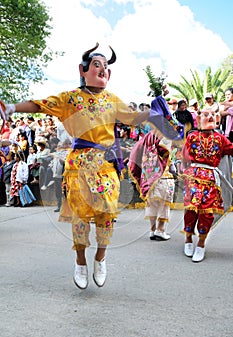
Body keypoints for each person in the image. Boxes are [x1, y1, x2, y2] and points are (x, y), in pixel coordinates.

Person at [2, 43, 156, 290]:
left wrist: (154, 108)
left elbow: (134, 118)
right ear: (82, 70)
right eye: (97, 64)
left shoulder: (113, 100)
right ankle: (80, 261)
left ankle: (100, 258)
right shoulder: (70, 99)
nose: (103, 69)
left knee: (107, 213)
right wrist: (12, 107)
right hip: (78, 165)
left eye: (106, 66)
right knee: (80, 216)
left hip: (106, 165)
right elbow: (40, 104)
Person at [182, 109, 233, 262]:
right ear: (198, 119)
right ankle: (188, 239)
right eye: (206, 114)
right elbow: (184, 157)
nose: (210, 116)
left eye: (212, 114)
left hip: (211, 179)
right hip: (193, 178)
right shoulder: (191, 137)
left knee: (207, 213)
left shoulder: (220, 138)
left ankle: (201, 243)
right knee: (190, 211)